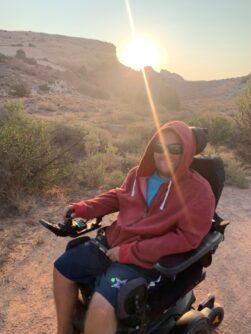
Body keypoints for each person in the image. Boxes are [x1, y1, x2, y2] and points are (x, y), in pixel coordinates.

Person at [53, 120, 215, 334]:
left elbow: (186, 239)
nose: (164, 153)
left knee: (101, 307)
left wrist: (130, 252)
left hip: (147, 261)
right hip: (111, 244)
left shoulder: (198, 191)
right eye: (159, 147)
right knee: (63, 269)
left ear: (187, 152)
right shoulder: (138, 174)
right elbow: (118, 196)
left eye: (174, 148)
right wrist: (83, 208)